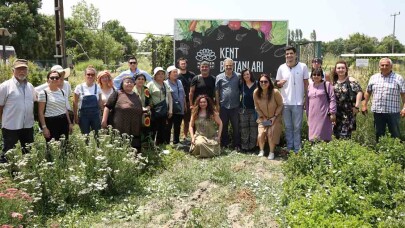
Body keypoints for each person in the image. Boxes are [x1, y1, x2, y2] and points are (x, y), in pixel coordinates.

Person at [0, 59, 36, 163]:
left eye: (24, 69)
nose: (22, 71)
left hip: (27, 125)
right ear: (13, 70)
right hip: (11, 126)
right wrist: (2, 122)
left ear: (27, 71)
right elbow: (0, 106)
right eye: (19, 69)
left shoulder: (30, 87)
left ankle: (28, 173)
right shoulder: (5, 86)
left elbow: (34, 101)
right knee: (8, 152)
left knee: (28, 151)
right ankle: (6, 175)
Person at [362, 57, 405, 141]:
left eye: (387, 65)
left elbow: (403, 94)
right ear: (379, 66)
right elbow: (368, 92)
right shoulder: (373, 78)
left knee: (395, 134)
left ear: (391, 66)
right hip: (378, 112)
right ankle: (380, 151)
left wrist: (404, 108)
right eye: (382, 65)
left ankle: (395, 152)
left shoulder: (398, 78)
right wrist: (364, 105)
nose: (384, 67)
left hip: (393, 112)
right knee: (379, 133)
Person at [276, 46, 309, 153]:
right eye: (287, 54)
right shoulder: (281, 68)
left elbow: (306, 84)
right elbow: (276, 84)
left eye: (291, 53)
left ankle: (297, 149)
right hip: (285, 103)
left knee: (297, 128)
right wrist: (278, 84)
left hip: (298, 103)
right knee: (288, 127)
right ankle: (290, 148)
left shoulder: (303, 66)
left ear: (295, 55)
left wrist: (306, 99)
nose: (289, 55)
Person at [102, 76, 143, 151]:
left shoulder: (136, 96)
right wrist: (104, 121)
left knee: (134, 150)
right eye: (127, 82)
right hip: (119, 127)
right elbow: (107, 106)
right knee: (119, 149)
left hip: (135, 128)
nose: (129, 84)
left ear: (134, 84)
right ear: (122, 84)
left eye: (131, 82)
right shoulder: (117, 93)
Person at [254, 74, 283, 160]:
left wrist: (274, 116)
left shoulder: (275, 92)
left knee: (271, 133)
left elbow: (280, 105)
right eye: (261, 82)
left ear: (269, 83)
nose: (263, 83)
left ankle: (271, 152)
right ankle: (261, 150)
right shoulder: (256, 92)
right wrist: (263, 117)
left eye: (265, 81)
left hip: (275, 118)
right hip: (263, 118)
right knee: (261, 134)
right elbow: (257, 107)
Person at [38, 71, 73, 142]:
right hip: (50, 122)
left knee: (64, 145)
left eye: (57, 78)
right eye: (52, 78)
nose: (54, 79)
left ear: (59, 80)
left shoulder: (63, 92)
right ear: (48, 80)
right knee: (52, 147)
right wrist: (44, 128)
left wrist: (69, 123)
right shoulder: (43, 93)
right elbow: (40, 112)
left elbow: (64, 108)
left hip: (63, 121)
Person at [332, 60, 363, 139]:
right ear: (335, 70)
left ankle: (345, 150)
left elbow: (359, 92)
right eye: (338, 68)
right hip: (337, 113)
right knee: (336, 135)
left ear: (346, 69)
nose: (341, 70)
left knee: (345, 136)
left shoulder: (351, 80)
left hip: (348, 112)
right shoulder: (334, 82)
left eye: (343, 68)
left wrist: (356, 106)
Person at [215, 58, 240, 150]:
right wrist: (217, 105)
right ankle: (224, 144)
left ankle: (236, 145)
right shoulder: (219, 77)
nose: (228, 67)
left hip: (235, 106)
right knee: (223, 126)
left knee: (236, 127)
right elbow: (217, 92)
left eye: (230, 65)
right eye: (227, 66)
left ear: (233, 66)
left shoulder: (238, 76)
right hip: (223, 106)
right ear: (223, 66)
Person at [306, 68, 336, 142]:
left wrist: (332, 112)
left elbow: (332, 98)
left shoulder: (327, 85)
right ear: (311, 76)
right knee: (313, 136)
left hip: (324, 114)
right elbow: (307, 101)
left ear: (322, 76)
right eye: (314, 74)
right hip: (312, 115)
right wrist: (307, 115)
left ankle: (324, 151)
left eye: (318, 74)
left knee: (323, 134)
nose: (316, 76)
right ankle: (314, 151)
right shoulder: (310, 86)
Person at [73, 65, 103, 134]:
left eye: (92, 75)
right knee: (85, 135)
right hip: (83, 115)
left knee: (97, 135)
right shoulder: (79, 87)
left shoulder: (98, 87)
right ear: (85, 75)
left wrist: (102, 115)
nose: (90, 76)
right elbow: (75, 103)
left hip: (95, 115)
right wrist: (75, 116)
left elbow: (100, 102)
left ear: (95, 76)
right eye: (88, 74)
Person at [147, 67, 173, 145]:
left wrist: (170, 109)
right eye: (158, 74)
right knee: (153, 129)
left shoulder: (165, 84)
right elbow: (147, 98)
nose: (160, 75)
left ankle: (160, 145)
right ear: (154, 75)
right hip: (153, 110)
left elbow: (170, 97)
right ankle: (151, 146)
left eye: (162, 74)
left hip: (164, 110)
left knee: (162, 129)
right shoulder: (150, 84)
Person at [165, 66, 186, 145]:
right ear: (169, 74)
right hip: (170, 108)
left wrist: (184, 105)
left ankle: (176, 142)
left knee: (177, 126)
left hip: (179, 107)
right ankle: (167, 142)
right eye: (174, 72)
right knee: (168, 126)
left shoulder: (179, 82)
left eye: (176, 72)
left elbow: (183, 94)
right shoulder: (166, 83)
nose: (176, 74)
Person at [239, 68, 258, 152]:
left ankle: (252, 147)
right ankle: (244, 147)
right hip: (243, 110)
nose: (246, 76)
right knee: (244, 129)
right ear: (242, 77)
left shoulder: (257, 84)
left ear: (250, 74)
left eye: (247, 74)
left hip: (254, 110)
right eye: (244, 75)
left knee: (254, 129)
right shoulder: (241, 85)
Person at [177, 57, 195, 141]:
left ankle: (191, 135)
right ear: (179, 65)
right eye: (181, 64)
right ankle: (183, 136)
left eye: (184, 63)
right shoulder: (176, 76)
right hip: (179, 101)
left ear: (186, 64)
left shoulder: (192, 75)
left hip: (190, 101)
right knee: (181, 120)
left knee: (190, 119)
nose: (183, 65)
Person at [133, 73, 151, 141]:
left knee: (145, 128)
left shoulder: (146, 89)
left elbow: (149, 101)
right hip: (135, 112)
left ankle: (146, 143)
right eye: (139, 79)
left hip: (145, 112)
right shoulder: (132, 89)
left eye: (143, 79)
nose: (141, 80)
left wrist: (148, 106)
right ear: (135, 80)